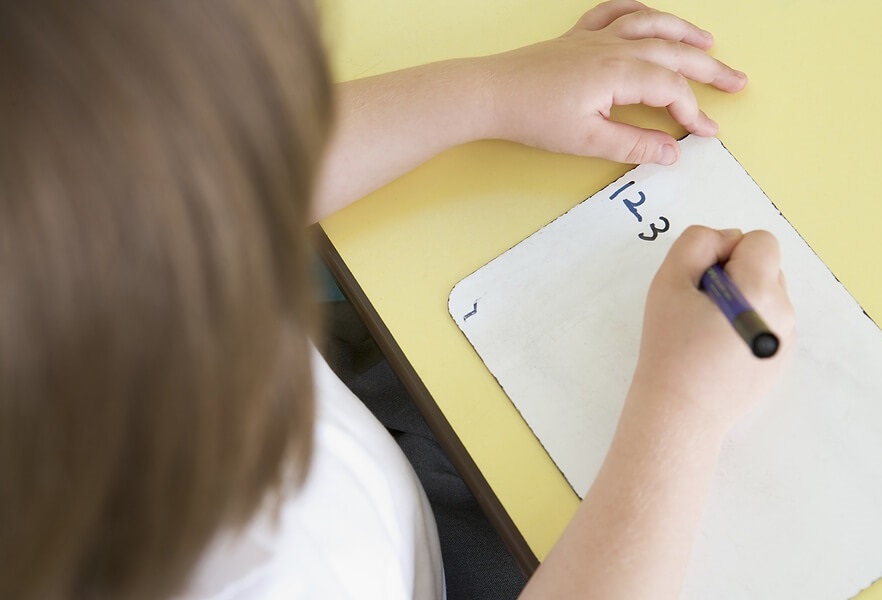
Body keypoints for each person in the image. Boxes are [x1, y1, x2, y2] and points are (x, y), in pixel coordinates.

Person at [0, 0, 794, 598]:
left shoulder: (66, 251)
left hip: (365, 450)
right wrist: (681, 412)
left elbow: (196, 181)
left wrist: (490, 91)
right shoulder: (279, 567)